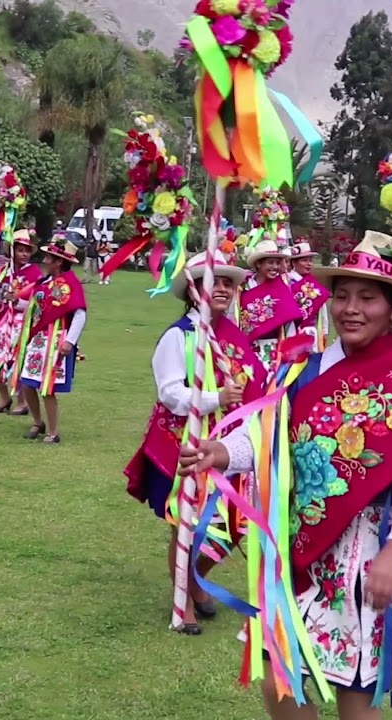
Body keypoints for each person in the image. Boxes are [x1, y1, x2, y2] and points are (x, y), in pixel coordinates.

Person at [178, 233, 392, 716]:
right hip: (298, 552)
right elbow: (269, 436)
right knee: (280, 675)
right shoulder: (307, 369)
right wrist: (221, 451)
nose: (350, 309)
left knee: (354, 696)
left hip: (365, 557)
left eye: (367, 297)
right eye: (341, 295)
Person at [124, 251, 266, 634]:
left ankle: (197, 581)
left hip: (230, 445)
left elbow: (255, 385)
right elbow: (171, 392)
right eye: (211, 281)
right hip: (184, 443)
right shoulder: (179, 337)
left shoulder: (233, 336)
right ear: (192, 289)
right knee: (186, 523)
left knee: (229, 524)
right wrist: (215, 398)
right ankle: (183, 601)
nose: (221, 288)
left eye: (227, 282)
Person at [15, 239, 88, 444]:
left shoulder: (70, 284)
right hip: (38, 339)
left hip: (57, 340)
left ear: (58, 262)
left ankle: (53, 432)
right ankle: (38, 422)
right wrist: (15, 301)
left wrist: (70, 341)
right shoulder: (44, 283)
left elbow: (79, 314)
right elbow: (33, 308)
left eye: (49, 257)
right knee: (27, 383)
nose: (44, 260)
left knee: (47, 388)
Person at [0, 230, 41, 415]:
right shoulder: (4, 271)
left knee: (16, 362)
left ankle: (23, 403)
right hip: (2, 323)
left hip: (21, 323)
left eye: (27, 251)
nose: (24, 254)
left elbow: (37, 303)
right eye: (21, 250)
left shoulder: (34, 274)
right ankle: (4, 397)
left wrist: (18, 302)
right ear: (12, 251)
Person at [239, 239, 305, 369]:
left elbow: (289, 323)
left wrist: (289, 353)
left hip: (274, 352)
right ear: (258, 264)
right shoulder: (242, 289)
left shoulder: (282, 289)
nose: (275, 267)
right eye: (270, 262)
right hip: (246, 351)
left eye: (277, 263)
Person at [289, 241, 331, 351]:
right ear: (294, 263)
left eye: (310, 260)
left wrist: (324, 331)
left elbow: (322, 308)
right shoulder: (286, 282)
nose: (309, 264)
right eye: (304, 260)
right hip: (291, 332)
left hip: (311, 332)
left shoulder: (313, 284)